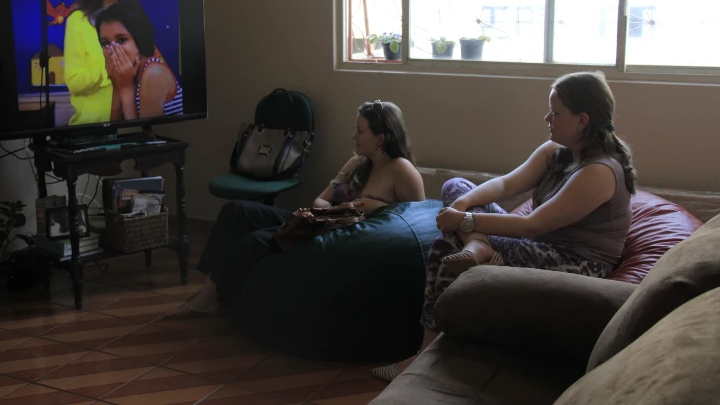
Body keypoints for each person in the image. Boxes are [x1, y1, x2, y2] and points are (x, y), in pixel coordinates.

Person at [373, 71, 637, 381]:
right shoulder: (555, 152)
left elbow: (532, 225)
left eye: (555, 112)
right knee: (456, 185)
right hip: (541, 245)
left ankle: (419, 359)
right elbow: (505, 184)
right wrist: (461, 204)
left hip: (575, 263)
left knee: (445, 246)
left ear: (582, 120)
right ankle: (478, 246)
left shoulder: (600, 171)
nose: (546, 118)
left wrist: (465, 220)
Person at [166, 100, 426, 318]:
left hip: (341, 240)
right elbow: (320, 201)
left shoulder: (401, 170)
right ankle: (210, 289)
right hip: (317, 222)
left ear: (380, 138)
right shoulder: (358, 162)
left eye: (360, 131)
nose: (353, 136)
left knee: (254, 241)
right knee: (236, 210)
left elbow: (417, 223)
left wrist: (375, 206)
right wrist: (334, 209)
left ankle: (215, 297)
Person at [95, 0, 183, 120]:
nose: (113, 50)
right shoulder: (128, 74)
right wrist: (116, 84)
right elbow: (114, 130)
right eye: (105, 43)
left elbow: (140, 134)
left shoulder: (153, 73)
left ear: (139, 39)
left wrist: (126, 88)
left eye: (121, 40)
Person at [63, 0, 132, 125]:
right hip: (92, 129)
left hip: (131, 127)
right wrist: (107, 71)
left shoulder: (137, 18)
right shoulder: (78, 20)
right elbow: (74, 84)